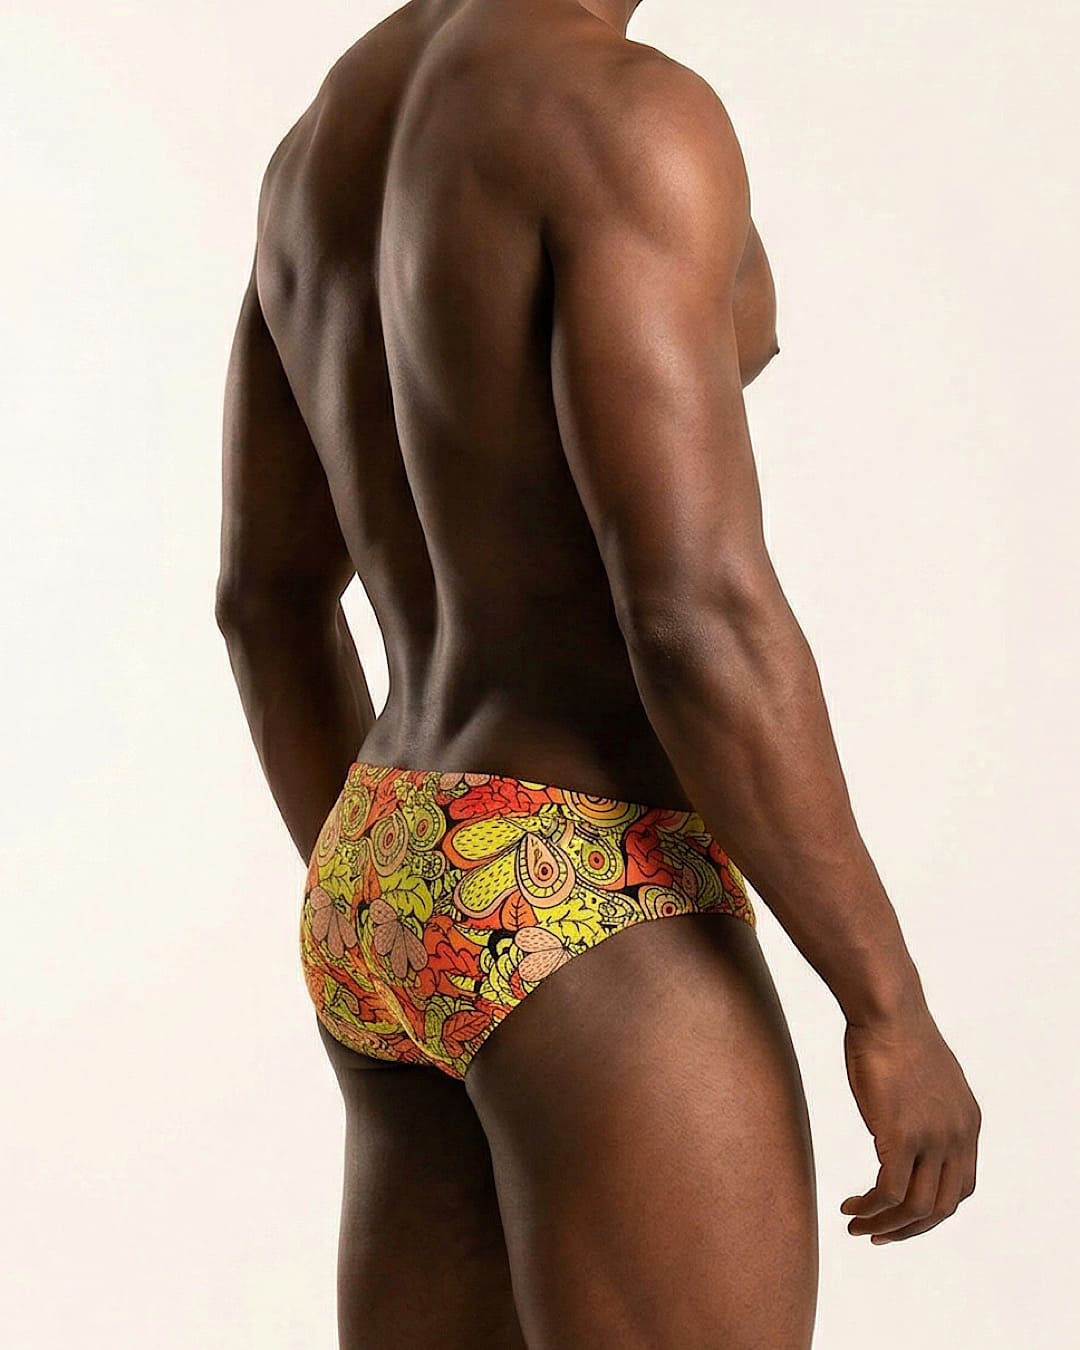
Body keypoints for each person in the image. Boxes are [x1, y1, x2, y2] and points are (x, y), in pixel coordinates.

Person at [215, 1, 981, 1345]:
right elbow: (692, 610)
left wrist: (414, 891)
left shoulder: (322, 141)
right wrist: (887, 1004)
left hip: (384, 852)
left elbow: (262, 602)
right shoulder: (624, 113)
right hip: (587, 871)